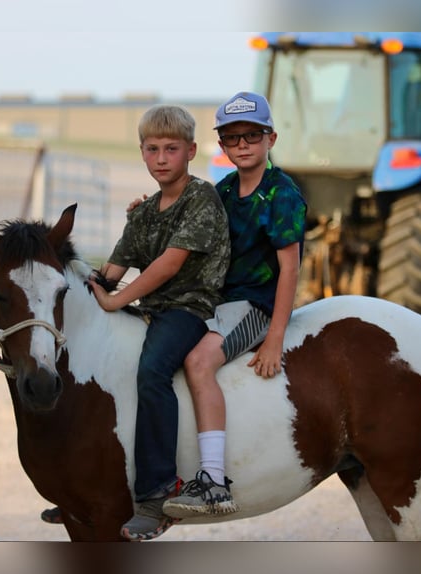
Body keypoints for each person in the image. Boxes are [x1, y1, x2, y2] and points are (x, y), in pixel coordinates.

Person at [87, 104, 231, 541]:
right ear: (142, 153)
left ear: (190, 151)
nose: (162, 158)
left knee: (152, 372)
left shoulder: (201, 198)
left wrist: (114, 302)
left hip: (191, 308)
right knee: (98, 366)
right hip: (151, 308)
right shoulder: (144, 212)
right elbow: (110, 270)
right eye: (153, 149)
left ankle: (157, 491)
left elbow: (168, 266)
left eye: (172, 148)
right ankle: (92, 480)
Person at [161, 91, 307, 519]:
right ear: (221, 145)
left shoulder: (282, 196)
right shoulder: (222, 191)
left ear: (270, 139)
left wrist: (274, 338)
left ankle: (213, 482)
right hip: (217, 299)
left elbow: (290, 271)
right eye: (232, 138)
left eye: (252, 136)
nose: (242, 145)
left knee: (199, 362)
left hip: (255, 303)